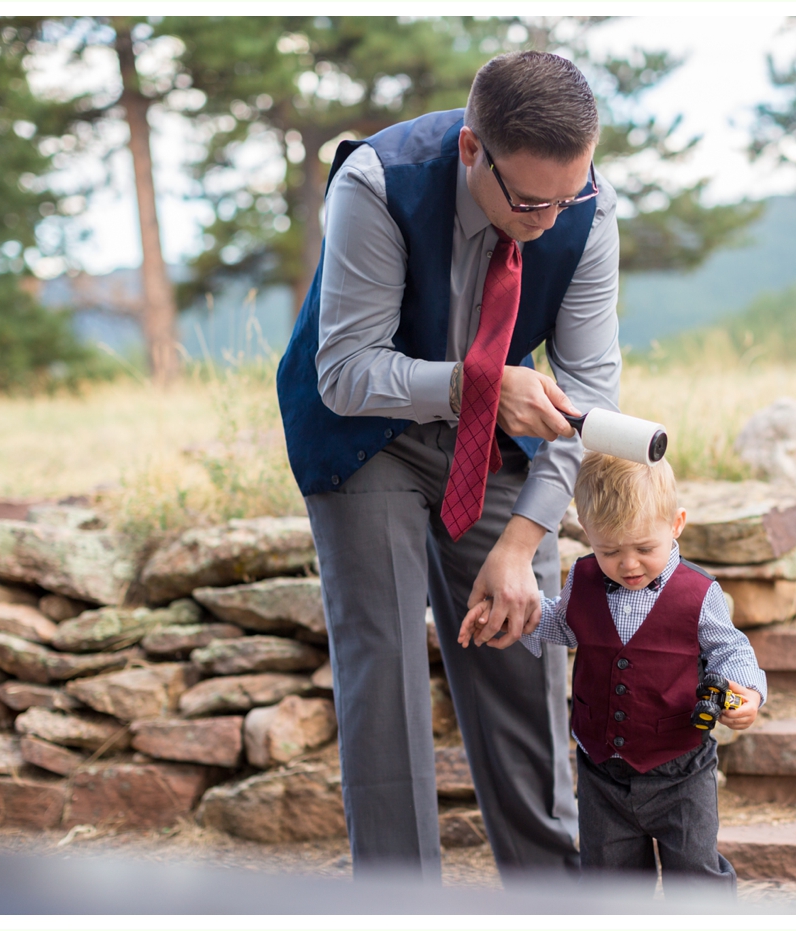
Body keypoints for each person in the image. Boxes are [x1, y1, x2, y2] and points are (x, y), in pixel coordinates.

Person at [276, 49, 620, 883]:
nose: (550, 218)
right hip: (363, 433)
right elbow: (349, 369)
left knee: (521, 651)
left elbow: (586, 393)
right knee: (384, 667)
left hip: (496, 434)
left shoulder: (586, 210)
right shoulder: (377, 182)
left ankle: (553, 899)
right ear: (473, 151)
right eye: (532, 200)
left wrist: (524, 538)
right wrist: (478, 386)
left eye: (567, 195)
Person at [461, 451, 765, 893]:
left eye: (645, 548)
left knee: (696, 878)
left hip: (679, 771)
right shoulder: (582, 578)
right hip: (603, 771)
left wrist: (749, 694)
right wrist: (508, 616)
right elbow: (561, 623)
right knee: (610, 883)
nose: (629, 564)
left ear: (676, 524)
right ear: (587, 533)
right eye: (610, 550)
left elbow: (730, 649)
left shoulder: (699, 594)